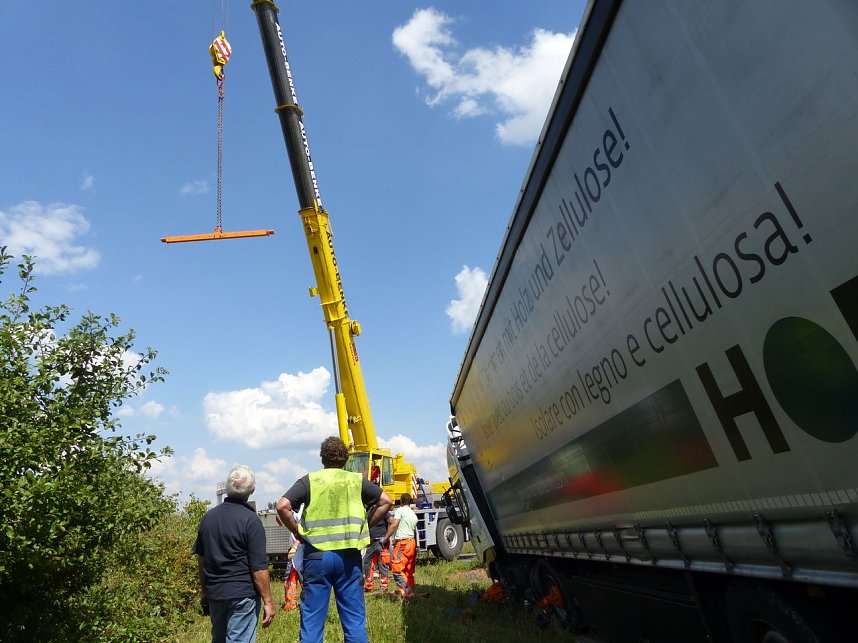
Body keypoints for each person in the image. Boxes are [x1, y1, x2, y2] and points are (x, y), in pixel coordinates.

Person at [277, 437, 392, 643]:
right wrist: (365, 525)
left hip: (317, 557)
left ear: (322, 458)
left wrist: (300, 533)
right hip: (349, 557)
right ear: (346, 459)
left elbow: (282, 506)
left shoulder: (310, 480)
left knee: (312, 622)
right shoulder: (356, 481)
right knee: (354, 620)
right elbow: (386, 501)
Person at [194, 465, 275, 643]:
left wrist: (205, 591)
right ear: (252, 490)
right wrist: (268, 602)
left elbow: (202, 560)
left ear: (227, 489)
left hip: (216, 593)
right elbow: (258, 568)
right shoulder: (251, 520)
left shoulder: (208, 518)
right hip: (242, 595)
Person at [384, 492, 419, 599]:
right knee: (408, 569)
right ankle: (411, 589)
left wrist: (386, 538)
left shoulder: (400, 510)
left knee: (397, 568)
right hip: (411, 543)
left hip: (402, 544)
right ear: (410, 501)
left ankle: (407, 591)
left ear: (401, 501)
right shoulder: (412, 513)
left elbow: (394, 524)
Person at [362, 504, 391, 592]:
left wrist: (386, 538)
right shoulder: (369, 511)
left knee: (382, 563)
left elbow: (393, 521)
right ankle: (369, 585)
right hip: (371, 541)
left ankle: (384, 586)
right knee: (368, 563)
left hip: (381, 541)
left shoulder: (384, 511)